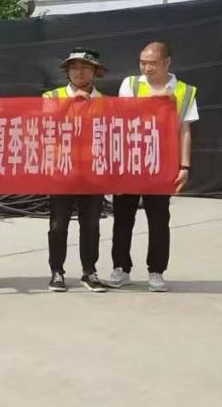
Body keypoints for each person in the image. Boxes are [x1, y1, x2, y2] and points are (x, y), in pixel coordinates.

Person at [106, 41, 198, 292]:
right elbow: (124, 114)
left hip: (161, 164)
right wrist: (158, 101)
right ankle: (121, 268)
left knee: (159, 219)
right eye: (143, 63)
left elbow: (185, 131)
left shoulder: (184, 91)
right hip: (130, 161)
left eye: (152, 63)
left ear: (167, 62)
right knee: (123, 218)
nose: (147, 68)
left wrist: (184, 166)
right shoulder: (131, 84)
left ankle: (156, 271)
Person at [43, 48, 110, 293]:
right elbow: (45, 126)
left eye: (85, 67)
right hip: (62, 170)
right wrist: (70, 103)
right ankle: (57, 272)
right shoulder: (52, 96)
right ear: (66, 71)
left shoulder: (104, 101)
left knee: (91, 225)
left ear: (95, 71)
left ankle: (89, 272)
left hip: (92, 171)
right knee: (58, 225)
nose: (79, 72)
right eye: (74, 67)